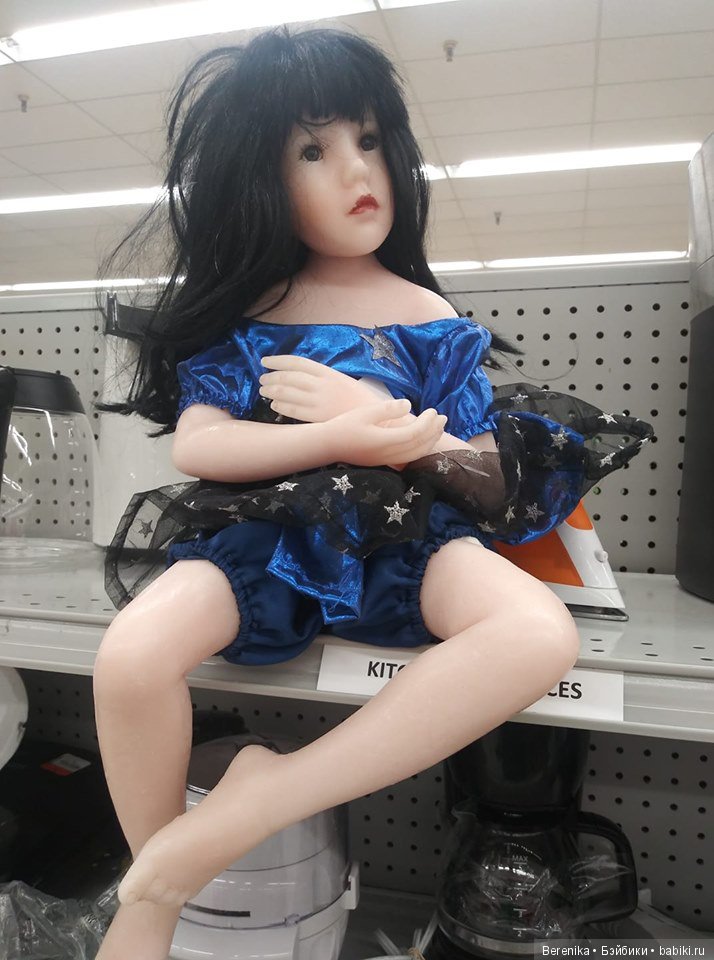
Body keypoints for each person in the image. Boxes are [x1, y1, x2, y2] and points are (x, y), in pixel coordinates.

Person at [92, 25, 653, 959]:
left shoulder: (429, 318)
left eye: (368, 138)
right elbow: (201, 442)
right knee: (131, 656)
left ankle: (269, 796)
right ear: (261, 180)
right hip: (268, 537)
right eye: (312, 151)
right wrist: (334, 437)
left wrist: (380, 420)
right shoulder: (253, 317)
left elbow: (483, 477)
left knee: (536, 633)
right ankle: (155, 893)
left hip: (411, 538)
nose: (357, 169)